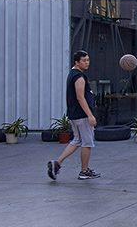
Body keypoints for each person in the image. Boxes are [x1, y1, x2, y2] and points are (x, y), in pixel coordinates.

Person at [48, 50, 99, 180]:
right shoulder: (79, 77)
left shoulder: (72, 74)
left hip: (74, 114)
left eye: (88, 60)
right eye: (84, 60)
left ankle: (57, 163)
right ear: (76, 62)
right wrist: (90, 115)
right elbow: (80, 97)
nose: (87, 63)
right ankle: (84, 171)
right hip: (82, 115)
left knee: (77, 140)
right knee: (87, 143)